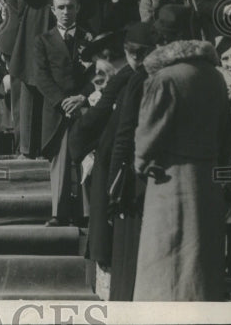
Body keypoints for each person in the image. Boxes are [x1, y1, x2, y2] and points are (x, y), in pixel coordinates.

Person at [132, 33, 231, 301]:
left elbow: (148, 135)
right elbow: (225, 131)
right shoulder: (216, 76)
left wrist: (140, 163)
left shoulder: (166, 78)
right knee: (199, 268)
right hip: (207, 182)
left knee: (166, 268)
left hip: (171, 180)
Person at [2, 0, 100, 160]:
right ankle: (55, 147)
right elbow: (89, 4)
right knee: (61, 85)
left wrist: (42, 5)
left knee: (31, 87)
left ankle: (27, 148)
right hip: (66, 31)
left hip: (34, 27)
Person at [67, 32, 134, 280]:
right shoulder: (125, 79)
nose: (98, 75)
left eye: (99, 63)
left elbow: (87, 129)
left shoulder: (122, 81)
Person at [32, 0, 95, 226]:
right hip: (57, 110)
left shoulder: (90, 39)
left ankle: (87, 212)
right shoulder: (43, 41)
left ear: (77, 8)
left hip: (84, 107)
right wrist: (62, 102)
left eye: (70, 6)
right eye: (61, 7)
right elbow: (41, 76)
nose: (66, 12)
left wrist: (83, 98)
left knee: (86, 157)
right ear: (52, 10)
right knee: (60, 159)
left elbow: (97, 74)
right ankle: (59, 212)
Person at [106, 21, 159, 301]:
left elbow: (125, 134)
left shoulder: (138, 78)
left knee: (129, 255)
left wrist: (113, 183)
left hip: (134, 177)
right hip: (159, 177)